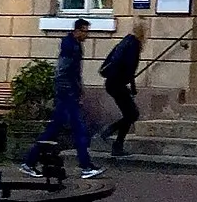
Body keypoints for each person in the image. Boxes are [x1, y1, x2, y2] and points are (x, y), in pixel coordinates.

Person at [22, 19, 103, 180]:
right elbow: (63, 71)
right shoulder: (70, 46)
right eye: (85, 31)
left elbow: (72, 73)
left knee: (53, 130)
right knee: (79, 130)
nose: (87, 35)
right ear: (78, 31)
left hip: (67, 94)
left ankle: (29, 162)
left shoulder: (73, 45)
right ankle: (85, 166)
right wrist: (72, 91)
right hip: (67, 95)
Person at [99, 20, 145, 157]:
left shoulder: (125, 41)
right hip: (117, 84)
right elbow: (129, 68)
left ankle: (115, 143)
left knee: (130, 114)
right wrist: (131, 86)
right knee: (132, 114)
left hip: (113, 83)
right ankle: (110, 135)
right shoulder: (134, 44)